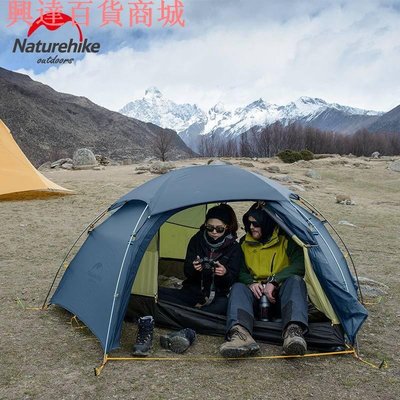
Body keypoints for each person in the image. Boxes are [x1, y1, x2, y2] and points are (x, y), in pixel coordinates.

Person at [220, 203, 308, 357]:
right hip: (256, 297)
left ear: (267, 223)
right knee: (238, 287)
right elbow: (239, 270)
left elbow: (300, 264)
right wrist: (251, 282)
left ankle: (293, 333)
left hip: (280, 297)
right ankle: (241, 335)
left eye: (256, 224)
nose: (251, 227)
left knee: (295, 281)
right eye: (249, 223)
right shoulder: (244, 243)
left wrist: (274, 281)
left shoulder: (286, 239)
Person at [158, 204, 242, 315]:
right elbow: (187, 272)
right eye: (210, 227)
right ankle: (197, 314)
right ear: (205, 224)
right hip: (194, 291)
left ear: (226, 227)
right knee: (157, 294)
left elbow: (233, 279)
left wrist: (225, 273)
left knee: (223, 306)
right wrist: (194, 268)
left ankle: (191, 313)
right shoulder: (197, 239)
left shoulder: (234, 247)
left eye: (219, 229)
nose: (214, 232)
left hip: (218, 295)